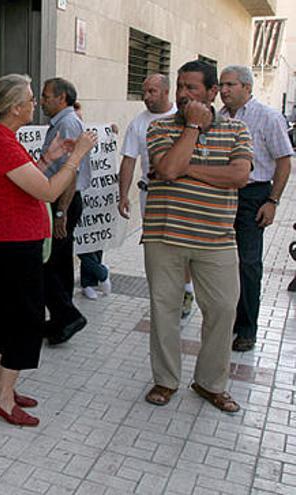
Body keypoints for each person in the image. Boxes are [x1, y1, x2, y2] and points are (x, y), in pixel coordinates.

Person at [0, 74, 96, 426]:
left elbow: (21, 181)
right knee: (26, 318)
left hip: (5, 241)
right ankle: (2, 396)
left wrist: (52, 155)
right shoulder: (2, 143)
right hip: (14, 244)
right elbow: (45, 190)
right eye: (30, 98)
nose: (35, 104)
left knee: (4, 314)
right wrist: (76, 156)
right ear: (15, 107)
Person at [143, 60, 251, 413]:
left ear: (211, 92)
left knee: (222, 309)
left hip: (217, 239)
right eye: (180, 87)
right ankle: (165, 379)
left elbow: (238, 176)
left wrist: (180, 170)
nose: (183, 93)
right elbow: (167, 168)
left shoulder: (237, 131)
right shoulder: (160, 128)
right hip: (165, 236)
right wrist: (191, 127)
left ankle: (210, 383)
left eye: (192, 88)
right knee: (165, 311)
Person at [219, 65, 293, 352]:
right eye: (222, 85)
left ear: (247, 88)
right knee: (222, 262)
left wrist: (272, 201)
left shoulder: (268, 118)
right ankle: (226, 322)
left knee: (248, 263)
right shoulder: (218, 118)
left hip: (253, 195)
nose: (224, 90)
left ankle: (247, 328)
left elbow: (284, 162)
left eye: (231, 85)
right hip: (222, 194)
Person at [117, 75, 196, 316]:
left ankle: (185, 289)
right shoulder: (138, 123)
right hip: (150, 195)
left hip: (181, 194)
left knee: (182, 244)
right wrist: (123, 195)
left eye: (152, 91)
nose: (146, 97)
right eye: (144, 91)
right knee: (157, 246)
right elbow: (129, 161)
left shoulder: (182, 119)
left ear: (165, 92)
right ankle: (162, 294)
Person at [39, 78, 93, 344]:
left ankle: (68, 316)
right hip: (60, 200)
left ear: (61, 98)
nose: (41, 100)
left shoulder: (68, 123)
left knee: (49, 264)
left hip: (63, 201)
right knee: (58, 263)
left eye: (46, 96)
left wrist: (61, 212)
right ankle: (61, 320)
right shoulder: (62, 122)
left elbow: (71, 171)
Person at [72, 101, 112, 301]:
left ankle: (89, 283)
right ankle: (101, 273)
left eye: (80, 117)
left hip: (95, 200)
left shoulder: (91, 136)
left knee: (95, 242)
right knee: (79, 244)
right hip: (75, 201)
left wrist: (111, 132)